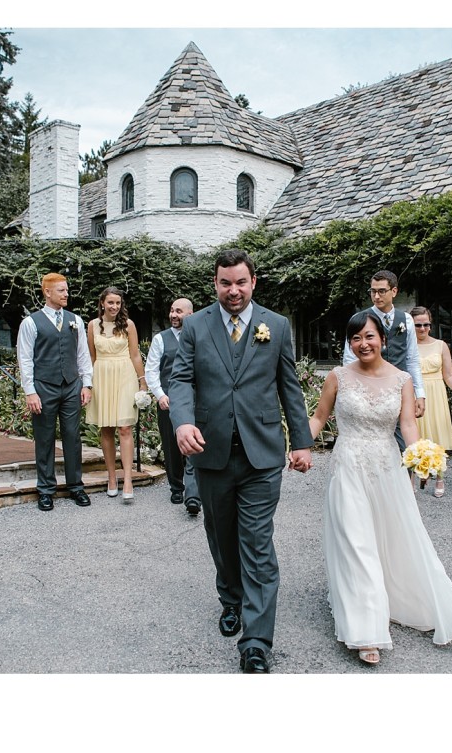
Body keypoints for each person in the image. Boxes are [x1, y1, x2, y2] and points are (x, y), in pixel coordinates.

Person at [309, 311, 452, 666]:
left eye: (370, 337)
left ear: (384, 340)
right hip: (348, 466)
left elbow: (408, 425)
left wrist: (420, 455)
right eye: (356, 338)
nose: (363, 344)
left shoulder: (403, 379)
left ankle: (392, 599)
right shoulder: (337, 376)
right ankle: (366, 630)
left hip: (387, 468)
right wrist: (298, 446)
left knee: (391, 538)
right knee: (356, 542)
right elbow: (318, 417)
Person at [170, 249, 314, 674]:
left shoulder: (278, 325)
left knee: (256, 542)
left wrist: (302, 441)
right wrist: (181, 422)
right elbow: (181, 379)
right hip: (209, 451)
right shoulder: (195, 326)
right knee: (221, 537)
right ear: (215, 284)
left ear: (254, 282)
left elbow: (289, 386)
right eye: (224, 283)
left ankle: (255, 640)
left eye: (240, 282)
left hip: (262, 454)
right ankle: (230, 598)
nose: (233, 291)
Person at [16, 273, 93, 512]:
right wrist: (30, 392)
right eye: (61, 290)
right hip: (43, 387)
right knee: (45, 439)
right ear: (47, 292)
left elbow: (83, 355)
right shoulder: (30, 322)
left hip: (71, 385)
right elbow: (25, 359)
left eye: (67, 290)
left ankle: (76, 487)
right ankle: (46, 490)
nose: (66, 294)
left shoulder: (75, 320)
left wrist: (86, 384)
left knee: (73, 437)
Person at [342, 270, 425, 450]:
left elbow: (412, 359)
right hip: (368, 389)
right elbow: (348, 359)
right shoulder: (359, 319)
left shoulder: (407, 320)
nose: (376, 296)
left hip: (400, 389)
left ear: (393, 291)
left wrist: (419, 393)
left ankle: (405, 478)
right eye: (373, 291)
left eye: (381, 291)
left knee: (404, 443)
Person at [86, 286, 145, 501]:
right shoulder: (92, 325)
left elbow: (136, 355)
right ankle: (112, 478)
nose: (114, 307)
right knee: (106, 428)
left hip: (125, 374)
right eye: (111, 302)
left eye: (118, 303)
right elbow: (91, 357)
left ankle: (127, 478)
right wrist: (88, 384)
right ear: (102, 303)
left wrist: (142, 382)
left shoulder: (128, 325)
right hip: (102, 375)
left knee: (125, 427)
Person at [144, 298, 202, 516]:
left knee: (196, 443)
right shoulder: (161, 339)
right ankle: (176, 487)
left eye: (178, 311)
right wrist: (159, 395)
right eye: (171, 311)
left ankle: (193, 492)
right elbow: (151, 370)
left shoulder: (199, 337)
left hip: (197, 400)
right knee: (171, 445)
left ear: (190, 314)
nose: (173, 315)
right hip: (168, 400)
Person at [411, 306, 452, 498]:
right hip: (414, 393)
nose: (422, 329)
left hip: (437, 393)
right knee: (414, 437)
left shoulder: (440, 345)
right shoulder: (407, 345)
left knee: (437, 436)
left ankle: (439, 477)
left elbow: (449, 375)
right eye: (418, 325)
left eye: (425, 324)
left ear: (430, 324)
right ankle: (412, 477)